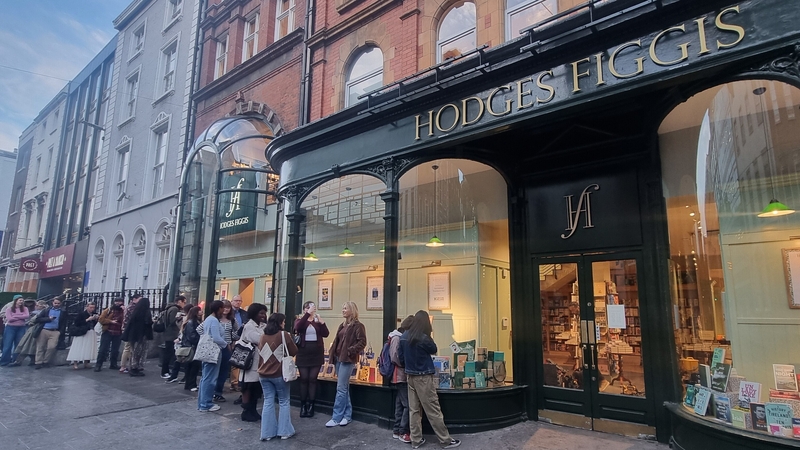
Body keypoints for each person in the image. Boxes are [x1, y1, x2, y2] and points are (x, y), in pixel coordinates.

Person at [399, 310, 461, 449]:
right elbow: (434, 349)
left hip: (410, 377)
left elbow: (401, 358)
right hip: (423, 377)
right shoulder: (424, 338)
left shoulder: (404, 336)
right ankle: (445, 440)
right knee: (433, 409)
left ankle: (416, 440)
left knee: (414, 410)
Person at [326, 301, 367, 428]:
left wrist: (350, 351)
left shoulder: (358, 326)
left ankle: (336, 417)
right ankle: (347, 415)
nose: (343, 310)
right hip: (339, 358)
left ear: (352, 310)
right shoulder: (342, 325)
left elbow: (362, 342)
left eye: (345, 308)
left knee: (341, 388)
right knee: (344, 388)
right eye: (342, 308)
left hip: (347, 360)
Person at [258, 312, 298, 440]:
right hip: (279, 373)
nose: (285, 323)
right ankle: (284, 431)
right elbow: (294, 351)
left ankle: (267, 433)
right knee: (284, 401)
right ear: (280, 322)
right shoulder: (283, 335)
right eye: (284, 321)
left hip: (263, 374)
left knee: (268, 401)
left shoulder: (263, 336)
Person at [294, 301, 329, 418]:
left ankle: (311, 405)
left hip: (316, 353)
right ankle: (303, 405)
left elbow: (326, 334)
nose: (310, 310)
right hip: (303, 353)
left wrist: (322, 323)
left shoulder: (317, 321)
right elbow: (298, 328)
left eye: (312, 307)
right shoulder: (300, 320)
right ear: (304, 309)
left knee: (312, 379)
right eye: (308, 308)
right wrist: (306, 315)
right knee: (304, 379)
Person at [238, 303, 268, 422]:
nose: (263, 315)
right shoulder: (249, 326)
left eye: (264, 313)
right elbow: (258, 339)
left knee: (256, 386)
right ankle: (246, 411)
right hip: (249, 361)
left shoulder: (263, 325)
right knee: (248, 386)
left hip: (259, 360)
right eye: (261, 313)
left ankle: (253, 410)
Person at [198, 300, 227, 412]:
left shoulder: (208, 319)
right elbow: (216, 337)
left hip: (207, 350)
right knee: (210, 378)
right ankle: (206, 403)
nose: (223, 311)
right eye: (222, 308)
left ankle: (202, 402)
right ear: (218, 308)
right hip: (213, 351)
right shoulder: (214, 321)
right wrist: (225, 344)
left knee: (205, 377)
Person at [390, 315, 415, 442]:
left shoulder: (397, 337)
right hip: (399, 375)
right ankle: (403, 431)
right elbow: (395, 357)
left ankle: (397, 429)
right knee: (407, 404)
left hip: (400, 375)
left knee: (400, 404)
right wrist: (405, 364)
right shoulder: (397, 338)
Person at [213, 299, 239, 402]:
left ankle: (218, 392)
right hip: (215, 347)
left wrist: (232, 340)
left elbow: (237, 332)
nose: (226, 310)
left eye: (228, 308)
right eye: (224, 307)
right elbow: (201, 329)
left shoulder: (232, 320)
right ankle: (212, 391)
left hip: (227, 347)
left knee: (223, 371)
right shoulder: (214, 319)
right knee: (214, 370)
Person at [121, 298, 153, 377]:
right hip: (142, 335)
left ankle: (132, 366)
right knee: (139, 352)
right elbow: (147, 322)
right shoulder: (146, 312)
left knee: (133, 352)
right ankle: (135, 368)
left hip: (133, 334)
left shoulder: (136, 311)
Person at [10, 300, 47, 367]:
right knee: (29, 345)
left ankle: (19, 361)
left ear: (41, 306)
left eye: (37, 305)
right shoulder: (38, 312)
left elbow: (33, 320)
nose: (36, 306)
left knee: (27, 345)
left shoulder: (41, 313)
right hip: (34, 330)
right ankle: (29, 360)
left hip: (35, 330)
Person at [34, 297, 67, 369]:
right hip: (44, 329)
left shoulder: (63, 312)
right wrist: (48, 319)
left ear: (61, 303)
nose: (56, 305)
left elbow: (64, 323)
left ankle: (46, 361)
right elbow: (38, 319)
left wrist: (60, 332)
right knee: (40, 346)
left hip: (55, 331)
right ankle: (38, 362)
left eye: (58, 303)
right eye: (55, 303)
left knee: (51, 347)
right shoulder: (46, 310)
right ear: (52, 303)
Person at [160, 295, 186, 379]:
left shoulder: (169, 308)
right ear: (179, 302)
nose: (184, 304)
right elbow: (172, 321)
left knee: (169, 352)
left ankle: (166, 371)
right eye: (184, 302)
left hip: (168, 333)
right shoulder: (174, 309)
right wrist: (180, 317)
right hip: (171, 334)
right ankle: (165, 371)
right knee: (169, 353)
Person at [95, 298, 125, 372]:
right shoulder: (108, 310)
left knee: (115, 350)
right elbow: (101, 319)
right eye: (117, 302)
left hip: (118, 332)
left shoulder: (123, 311)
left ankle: (113, 364)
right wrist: (111, 321)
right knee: (103, 349)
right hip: (108, 331)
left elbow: (126, 319)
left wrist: (125, 310)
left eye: (120, 302)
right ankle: (98, 365)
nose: (118, 303)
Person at [166, 303, 194, 382]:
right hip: (182, 340)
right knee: (179, 358)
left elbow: (184, 331)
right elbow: (180, 328)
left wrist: (179, 338)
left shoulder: (189, 320)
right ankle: (177, 375)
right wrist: (178, 320)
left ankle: (179, 376)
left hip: (184, 341)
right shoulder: (186, 319)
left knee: (183, 359)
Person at [66, 303, 99, 369]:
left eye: (93, 308)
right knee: (78, 347)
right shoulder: (81, 314)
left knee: (88, 348)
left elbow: (94, 324)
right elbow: (77, 323)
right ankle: (75, 363)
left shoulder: (94, 314)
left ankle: (86, 362)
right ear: (87, 307)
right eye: (90, 307)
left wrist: (96, 319)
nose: (92, 309)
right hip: (81, 332)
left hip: (90, 331)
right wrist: (87, 319)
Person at [1, 295, 30, 366]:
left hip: (21, 328)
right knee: (7, 344)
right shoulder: (9, 309)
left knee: (18, 345)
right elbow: (9, 319)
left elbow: (26, 316)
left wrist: (15, 316)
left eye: (22, 300)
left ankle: (16, 360)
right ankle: (4, 361)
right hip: (10, 328)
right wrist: (21, 317)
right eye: (20, 300)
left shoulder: (25, 308)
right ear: (15, 301)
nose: (21, 302)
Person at [180, 306, 203, 392]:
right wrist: (200, 340)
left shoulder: (193, 322)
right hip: (192, 347)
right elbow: (192, 336)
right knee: (193, 367)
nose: (201, 312)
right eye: (200, 311)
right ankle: (191, 384)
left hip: (190, 346)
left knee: (191, 367)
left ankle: (189, 384)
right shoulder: (191, 322)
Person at [119, 293, 142, 373]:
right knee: (128, 347)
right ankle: (123, 366)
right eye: (139, 299)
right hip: (128, 329)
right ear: (134, 299)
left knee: (130, 348)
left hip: (127, 328)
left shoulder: (130, 306)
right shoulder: (132, 307)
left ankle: (128, 365)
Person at [230, 295, 248, 391]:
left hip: (243, 338)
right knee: (234, 361)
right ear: (232, 301)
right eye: (236, 300)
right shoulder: (229, 313)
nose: (238, 302)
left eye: (240, 301)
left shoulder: (244, 313)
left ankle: (239, 381)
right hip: (232, 339)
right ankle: (234, 382)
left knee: (241, 359)